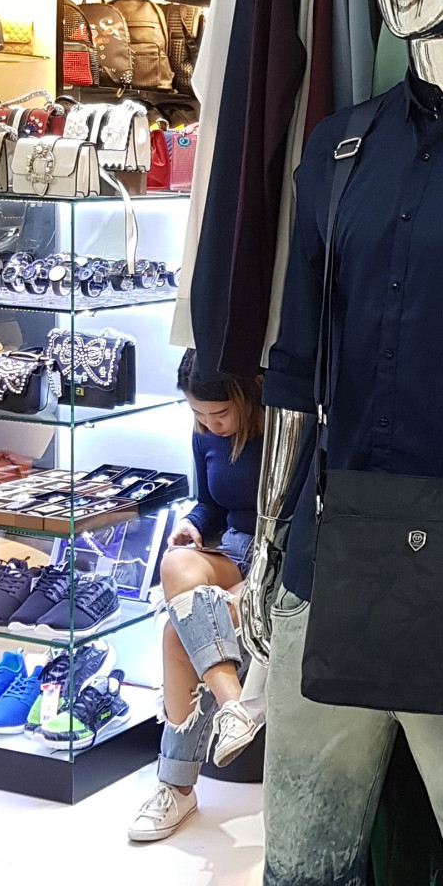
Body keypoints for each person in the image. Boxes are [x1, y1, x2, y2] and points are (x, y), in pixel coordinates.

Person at [128, 351, 264, 842]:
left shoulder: (284, 427)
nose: (209, 425)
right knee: (175, 564)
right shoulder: (205, 432)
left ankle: (176, 785)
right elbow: (210, 504)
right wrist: (191, 523)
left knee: (175, 634)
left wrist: (254, 584)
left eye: (220, 413)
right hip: (233, 551)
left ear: (249, 394)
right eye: (198, 414)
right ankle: (234, 706)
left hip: (280, 559)